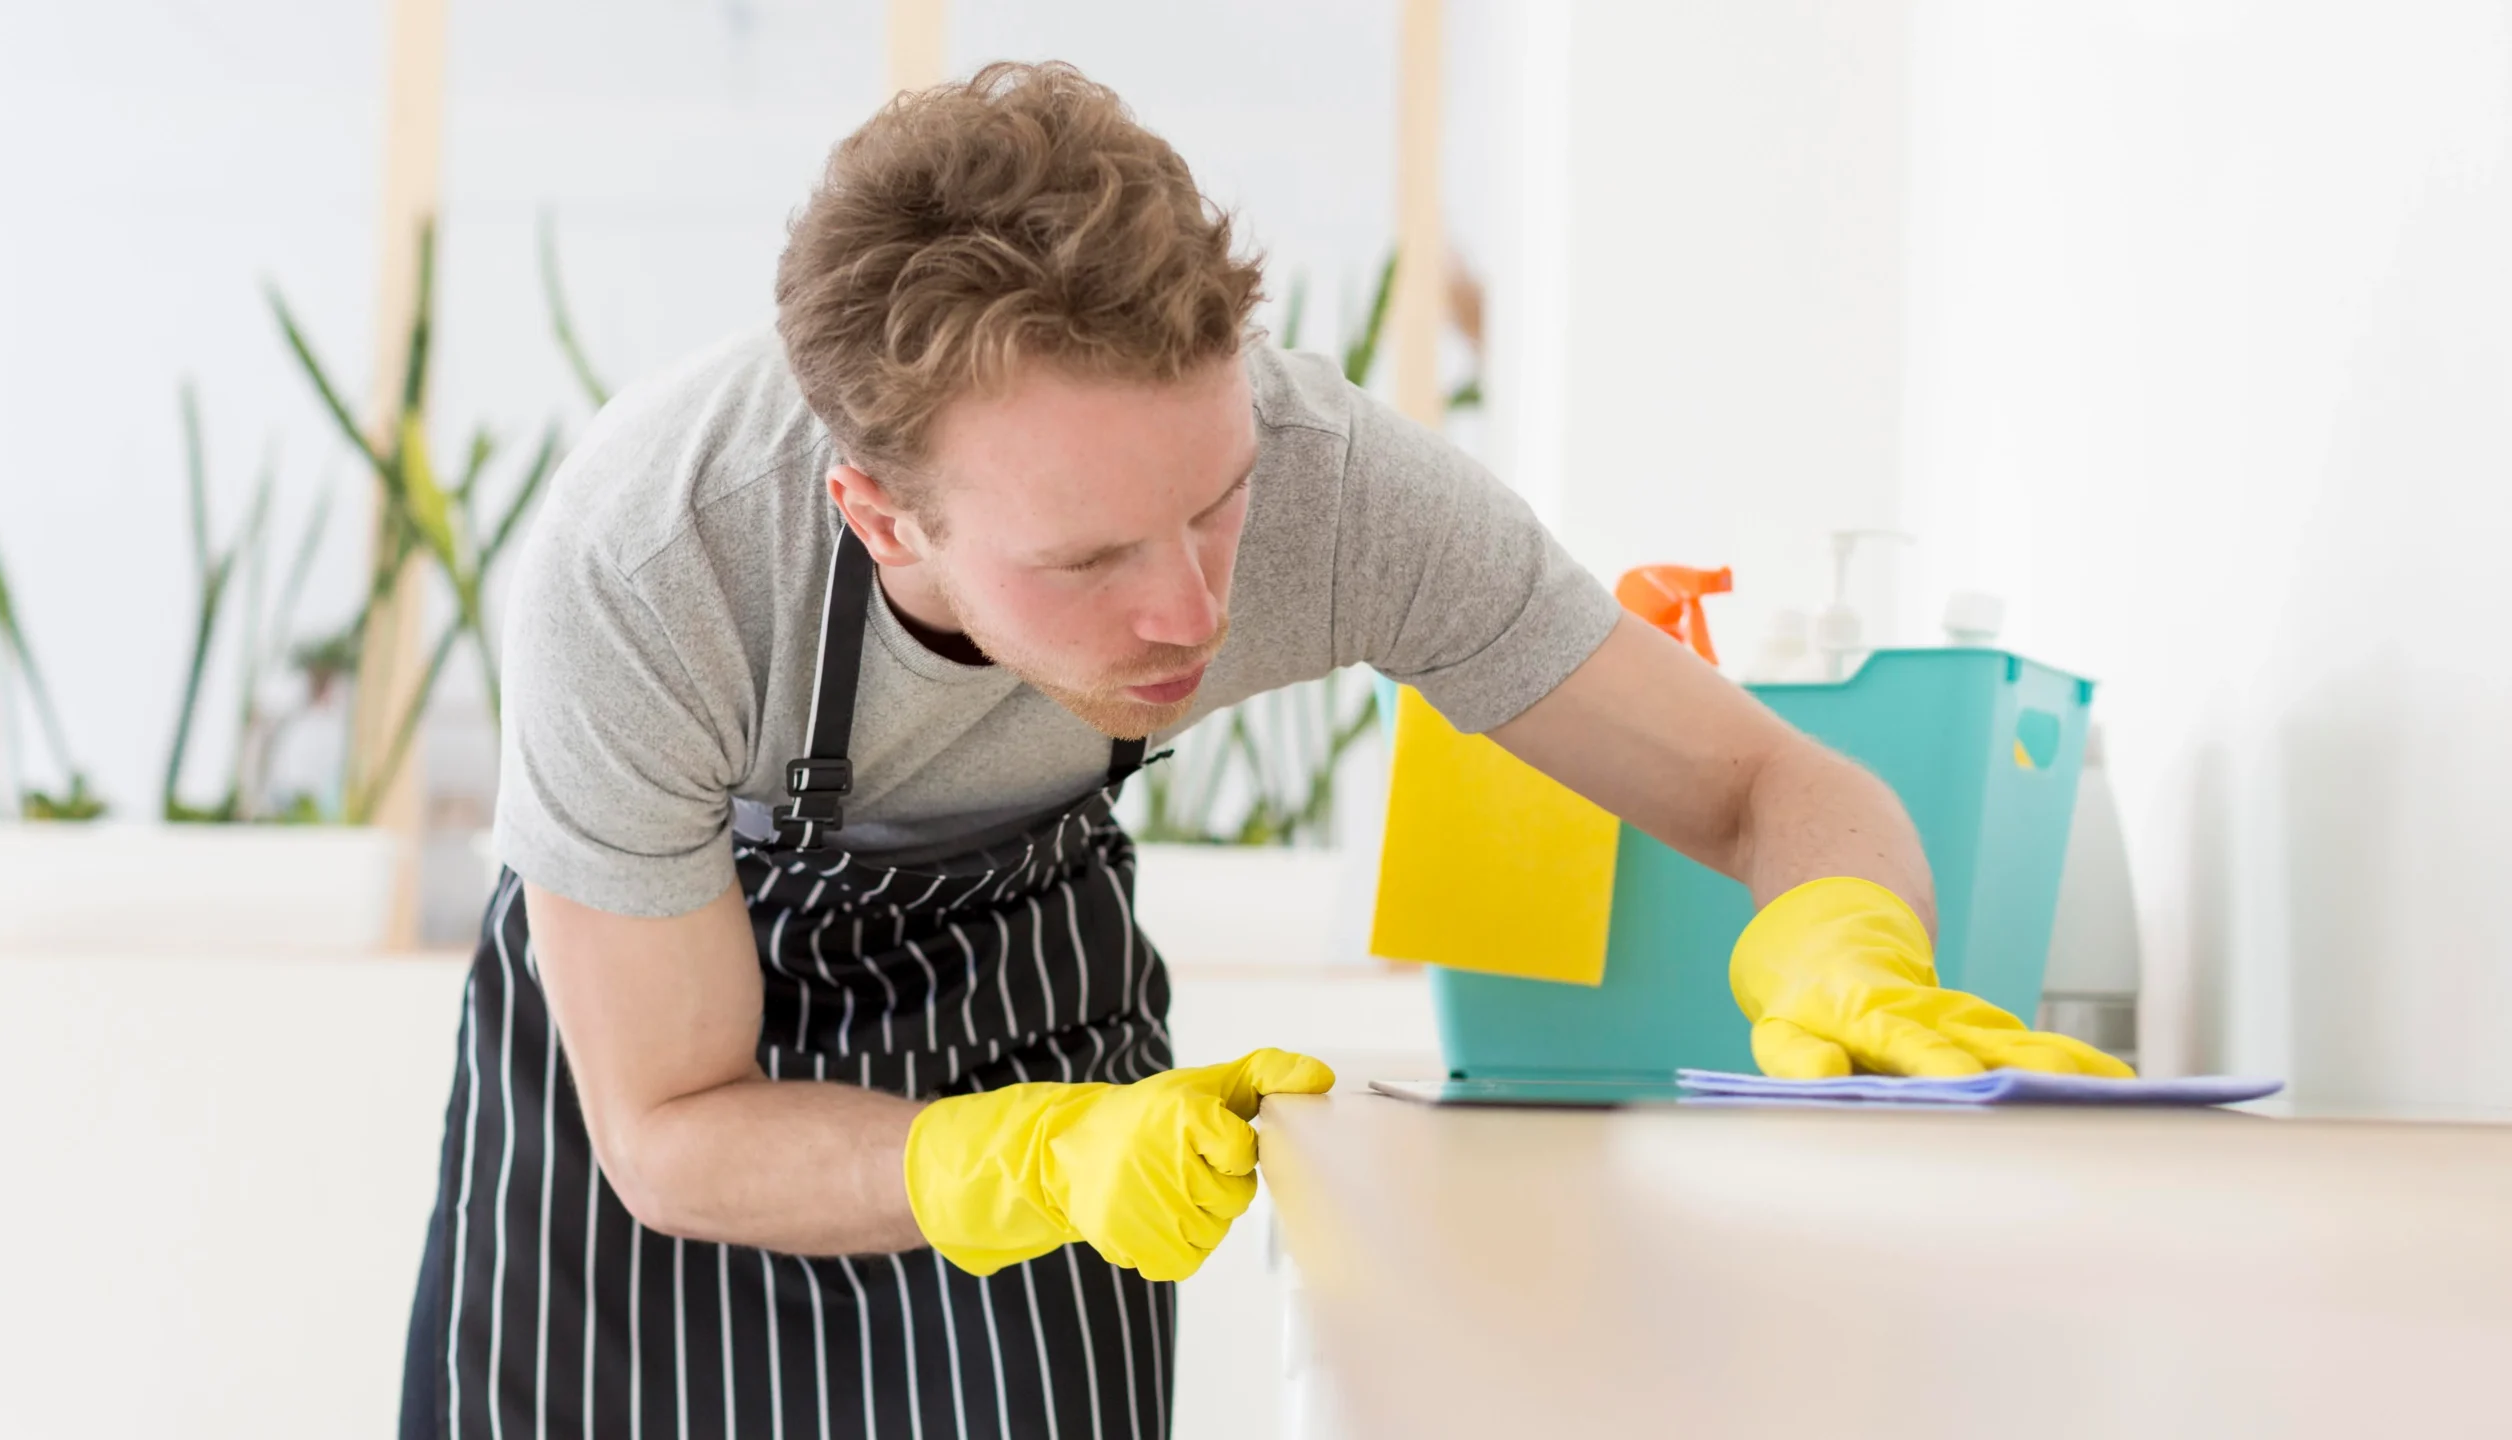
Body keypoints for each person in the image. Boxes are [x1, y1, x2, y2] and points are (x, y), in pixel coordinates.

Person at [398, 60, 2127, 1440]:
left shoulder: (1344, 489)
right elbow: (674, 1126)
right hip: (668, 1056)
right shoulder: (656, 567)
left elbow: (1779, 785)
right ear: (879, 518)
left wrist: (1848, 935)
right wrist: (1022, 1158)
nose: (1190, 613)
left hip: (1020, 1001)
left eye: (1217, 509)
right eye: (1085, 561)